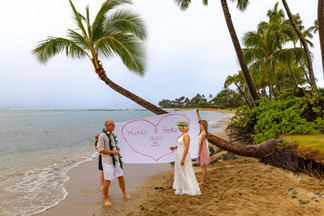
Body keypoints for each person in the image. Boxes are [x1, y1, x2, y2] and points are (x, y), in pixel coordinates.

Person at [97, 120, 131, 206]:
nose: (114, 126)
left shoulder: (112, 135)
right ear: (107, 126)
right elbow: (100, 149)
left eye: (114, 125)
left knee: (121, 177)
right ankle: (106, 199)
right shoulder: (102, 135)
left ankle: (124, 193)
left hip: (115, 161)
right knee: (108, 180)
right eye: (112, 125)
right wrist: (113, 152)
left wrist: (116, 153)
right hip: (108, 162)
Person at [170, 121, 201, 196]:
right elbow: (181, 145)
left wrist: (183, 159)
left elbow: (186, 147)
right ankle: (182, 187)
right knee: (180, 171)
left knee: (185, 170)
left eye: (179, 126)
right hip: (179, 153)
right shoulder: (182, 135)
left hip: (183, 154)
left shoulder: (186, 135)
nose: (178, 128)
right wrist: (175, 147)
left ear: (183, 127)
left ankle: (187, 188)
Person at [196, 109, 211, 185]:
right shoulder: (202, 131)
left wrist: (198, 153)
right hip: (201, 148)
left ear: (203, 125)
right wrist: (197, 113)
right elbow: (199, 120)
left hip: (202, 149)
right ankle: (202, 180)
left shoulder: (203, 133)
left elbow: (201, 144)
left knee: (203, 166)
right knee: (202, 165)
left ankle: (202, 181)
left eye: (200, 124)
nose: (199, 125)